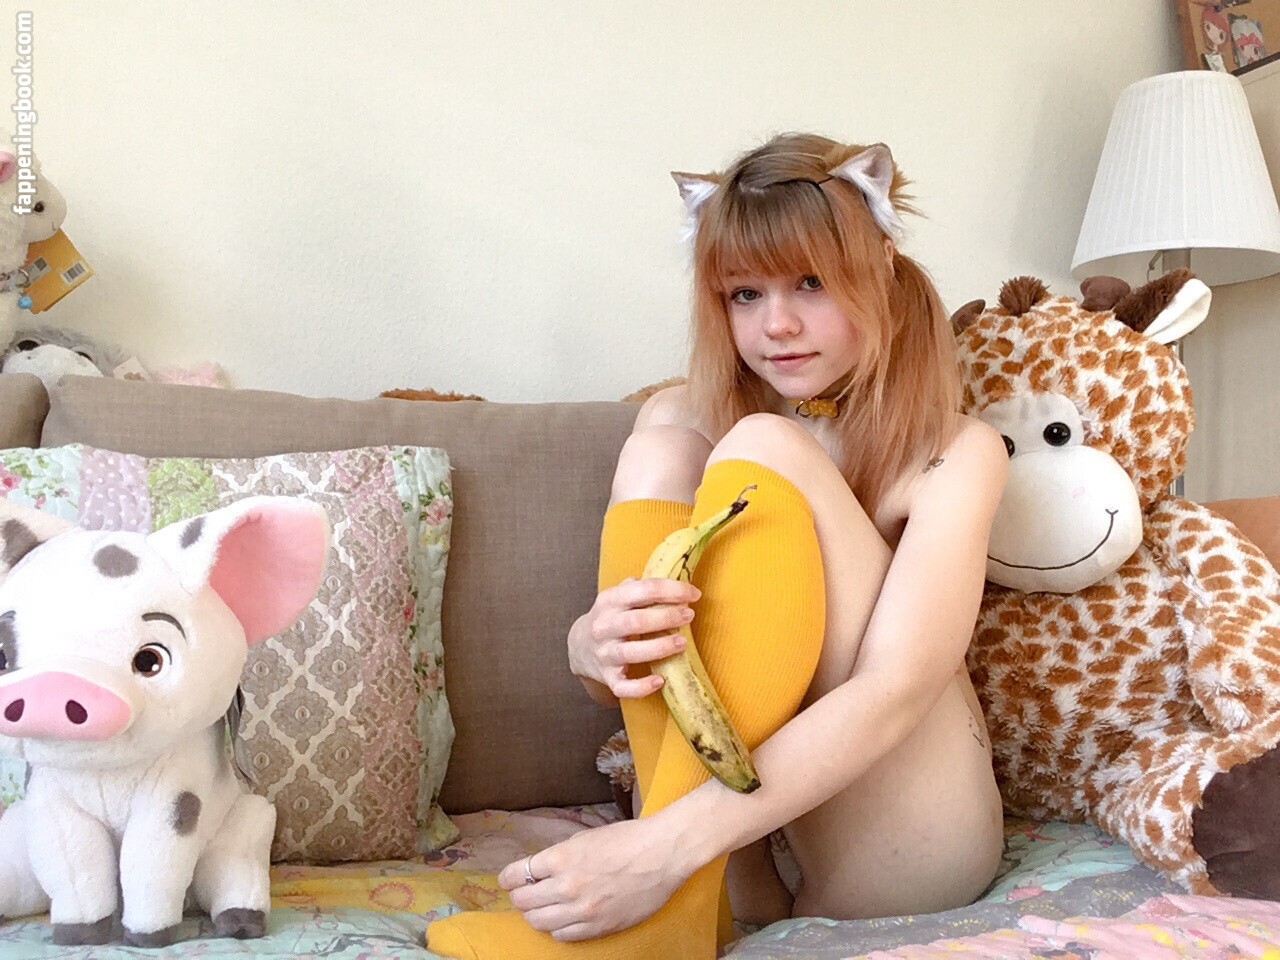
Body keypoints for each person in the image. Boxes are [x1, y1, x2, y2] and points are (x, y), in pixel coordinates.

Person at [427, 132, 1008, 960]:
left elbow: (898, 688)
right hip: (733, 853)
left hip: (901, 839)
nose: (777, 324)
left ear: (881, 265)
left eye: (812, 283)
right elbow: (624, 679)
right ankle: (682, 919)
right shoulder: (685, 424)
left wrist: (657, 848)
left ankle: (666, 896)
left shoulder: (957, 450)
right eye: (744, 293)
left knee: (764, 447)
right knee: (669, 434)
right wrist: (589, 645)